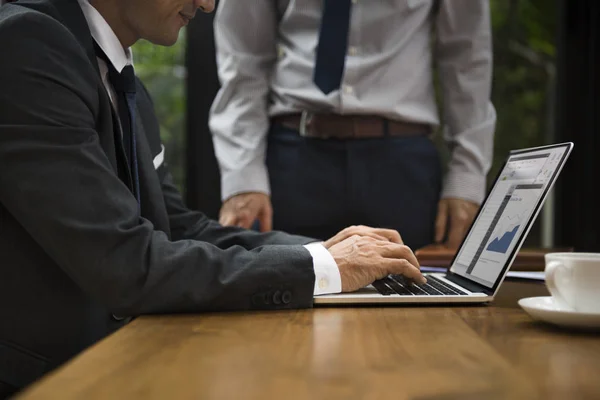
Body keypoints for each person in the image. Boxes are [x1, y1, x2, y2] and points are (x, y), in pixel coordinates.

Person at [0, 0, 427, 396]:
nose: (207, 3)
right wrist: (321, 267)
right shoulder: (28, 47)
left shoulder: (116, 75)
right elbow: (125, 262)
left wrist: (330, 254)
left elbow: (183, 227)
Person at [210, 0, 496, 251]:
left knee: (417, 301)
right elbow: (242, 62)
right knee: (276, 298)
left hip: (403, 169)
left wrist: (466, 178)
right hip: (292, 162)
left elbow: (467, 57)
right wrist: (243, 176)